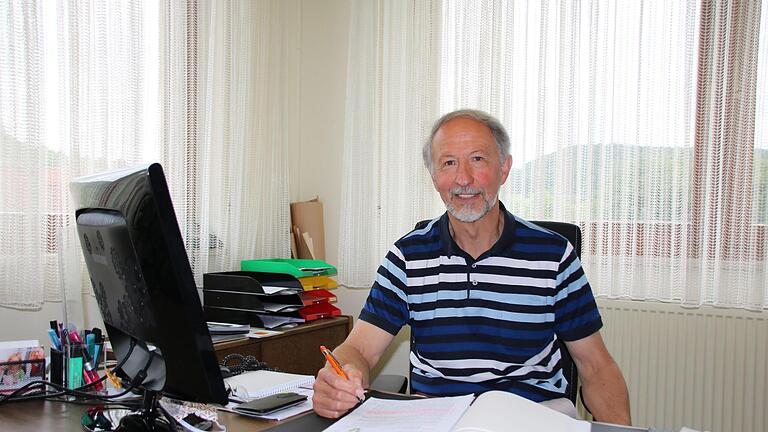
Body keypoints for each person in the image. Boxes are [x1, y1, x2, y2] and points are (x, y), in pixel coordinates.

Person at [313, 109, 632, 425]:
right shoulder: (408, 257)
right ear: (435, 177)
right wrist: (341, 374)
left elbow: (595, 367)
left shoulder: (553, 255)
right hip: (438, 418)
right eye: (449, 163)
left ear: (504, 168)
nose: (463, 179)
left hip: (532, 417)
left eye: (478, 159)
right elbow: (359, 350)